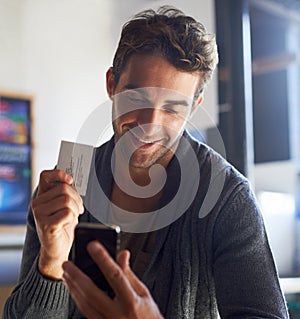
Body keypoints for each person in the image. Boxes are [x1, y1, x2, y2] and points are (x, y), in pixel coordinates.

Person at [4, 6, 289, 319]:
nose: (150, 125)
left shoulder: (225, 197)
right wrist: (51, 262)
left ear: (195, 107)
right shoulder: (66, 184)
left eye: (172, 108)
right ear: (112, 83)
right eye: (137, 98)